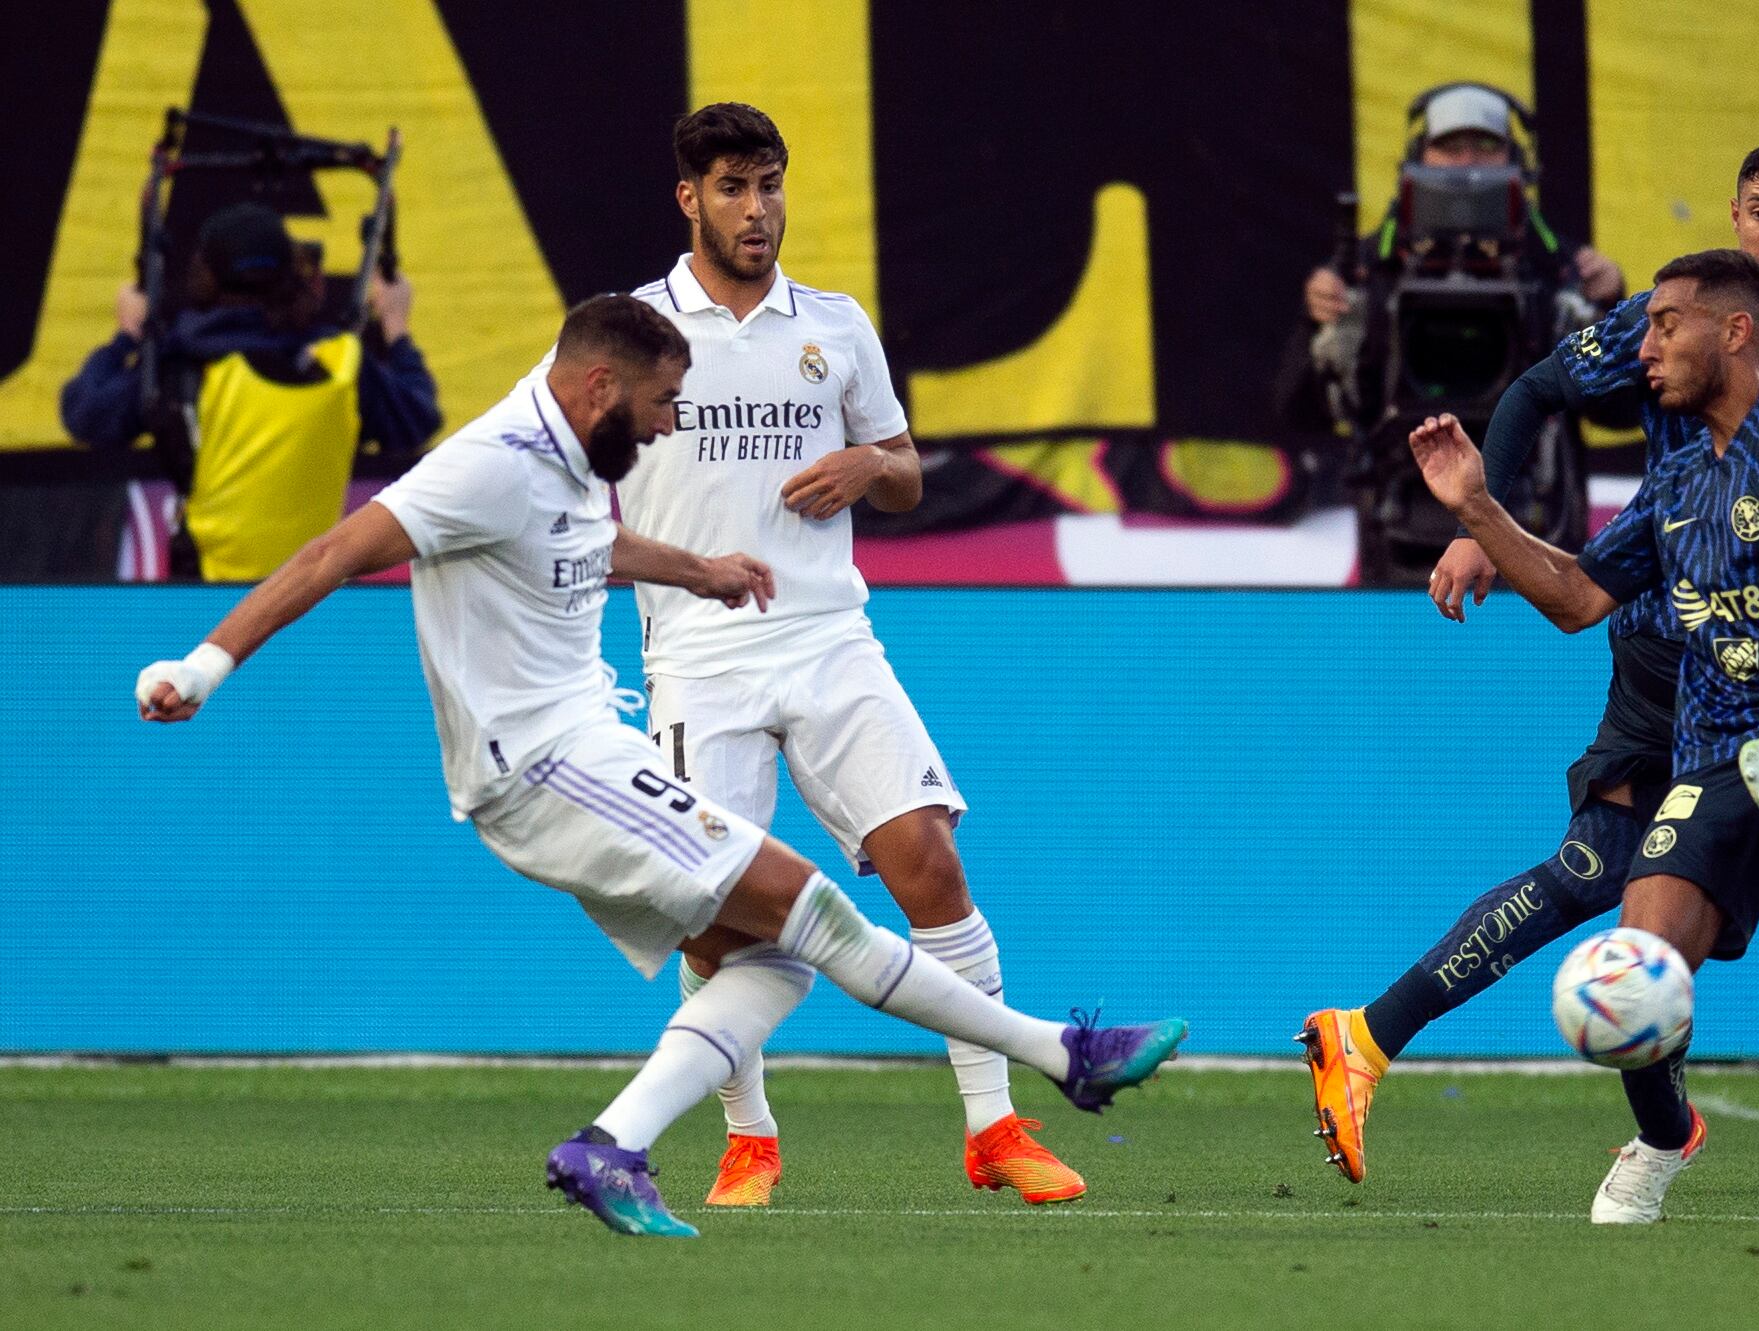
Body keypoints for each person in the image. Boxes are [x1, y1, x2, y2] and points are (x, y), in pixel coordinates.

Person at [132, 293, 1186, 1240]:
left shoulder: (571, 454)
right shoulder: (487, 461)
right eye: (661, 402)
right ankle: (1061, 1052)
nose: (670, 421)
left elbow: (586, 546)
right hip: (545, 767)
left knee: (772, 958)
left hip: (586, 749)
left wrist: (706, 570)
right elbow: (334, 552)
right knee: (811, 904)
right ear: (601, 384)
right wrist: (203, 664)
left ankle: (612, 1142)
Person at [1297, 137, 1759, 1189]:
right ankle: (1687, 1104)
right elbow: (1546, 440)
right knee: (1621, 882)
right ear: (1734, 219)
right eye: (1758, 212)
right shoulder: (1676, 435)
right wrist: (1474, 513)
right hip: (1681, 644)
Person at [586, 102, 1090, 1209]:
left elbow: (908, 473)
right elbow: (572, 506)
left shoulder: (835, 326)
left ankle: (994, 1125)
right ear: (688, 199)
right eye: (731, 186)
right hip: (697, 655)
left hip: (829, 638)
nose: (756, 207)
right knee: (716, 909)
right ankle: (748, 1138)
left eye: (769, 183)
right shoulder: (628, 338)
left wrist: (868, 465)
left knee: (930, 862)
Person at [61, 201, 441, 581]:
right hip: (314, 594)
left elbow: (84, 414)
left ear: (205, 276)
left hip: (206, 599)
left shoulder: (182, 363)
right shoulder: (341, 361)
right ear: (294, 273)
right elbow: (417, 419)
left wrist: (127, 336)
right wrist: (395, 325)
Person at [1276, 83, 1623, 436]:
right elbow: (1298, 412)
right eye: (1450, 147)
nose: (1468, 161)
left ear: (1516, 160)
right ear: (1418, 157)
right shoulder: (1367, 268)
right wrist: (1316, 322)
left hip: (1524, 473)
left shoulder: (1559, 268)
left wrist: (1611, 310)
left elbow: (1619, 412)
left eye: (1487, 146)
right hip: (1398, 468)